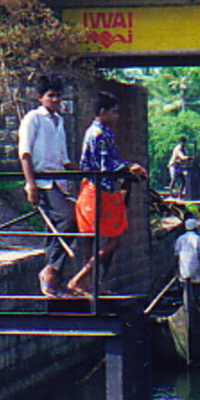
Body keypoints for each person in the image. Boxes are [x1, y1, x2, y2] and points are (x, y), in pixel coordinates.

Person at [68, 90, 147, 297]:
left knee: (89, 240)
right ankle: (79, 280)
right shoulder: (101, 134)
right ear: (103, 112)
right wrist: (131, 167)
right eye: (114, 112)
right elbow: (107, 166)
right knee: (114, 240)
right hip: (100, 192)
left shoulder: (91, 132)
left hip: (88, 190)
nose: (117, 116)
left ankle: (91, 284)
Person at [18, 76, 76, 297]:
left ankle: (54, 278)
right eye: (50, 96)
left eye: (58, 96)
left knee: (63, 222)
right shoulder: (33, 118)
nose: (55, 99)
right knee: (67, 218)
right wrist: (30, 184)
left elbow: (64, 159)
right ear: (40, 97)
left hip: (59, 181)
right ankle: (50, 270)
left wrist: (88, 174)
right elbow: (25, 152)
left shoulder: (59, 121)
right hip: (42, 181)